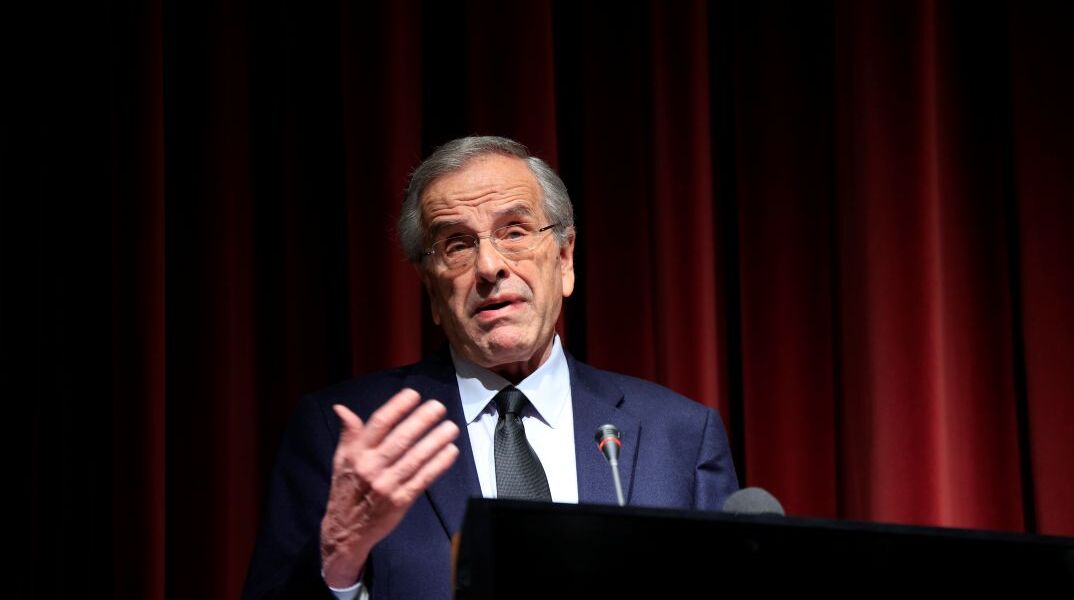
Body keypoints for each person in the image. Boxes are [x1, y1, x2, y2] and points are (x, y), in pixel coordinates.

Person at [242, 136, 739, 600]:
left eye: (515, 232)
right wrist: (338, 565)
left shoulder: (680, 436)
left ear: (565, 259)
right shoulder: (343, 433)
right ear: (431, 289)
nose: (488, 266)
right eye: (457, 244)